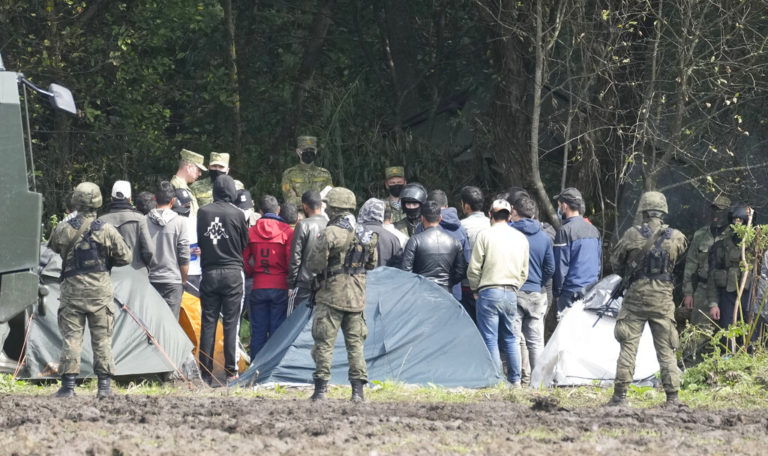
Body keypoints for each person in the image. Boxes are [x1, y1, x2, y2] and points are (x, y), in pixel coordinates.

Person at [48, 182, 132, 398]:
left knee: (71, 339)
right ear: (98, 202)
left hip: (72, 291)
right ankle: (104, 387)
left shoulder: (62, 228)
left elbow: (53, 248)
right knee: (102, 339)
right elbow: (126, 257)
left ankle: (68, 387)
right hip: (100, 293)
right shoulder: (106, 230)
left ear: (75, 201)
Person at [607, 191, 687, 406]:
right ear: (663, 211)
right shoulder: (677, 236)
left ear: (643, 210)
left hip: (635, 299)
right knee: (666, 349)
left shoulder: (631, 235)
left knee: (628, 347)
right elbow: (678, 260)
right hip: (662, 300)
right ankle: (672, 398)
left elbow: (616, 262)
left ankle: (620, 397)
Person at [307, 187, 378, 402]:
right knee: (355, 345)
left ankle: (320, 391)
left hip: (331, 295)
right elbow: (372, 264)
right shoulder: (367, 234)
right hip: (357, 296)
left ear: (335, 208)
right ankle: (358, 392)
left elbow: (315, 265)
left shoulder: (330, 233)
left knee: (324, 344)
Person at [467, 199, 529, 386]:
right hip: (510, 292)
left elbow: (474, 268)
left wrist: (475, 289)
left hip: (488, 292)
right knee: (511, 338)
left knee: (490, 339)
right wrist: (514, 287)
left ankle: (496, 382)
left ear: (490, 215)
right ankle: (516, 381)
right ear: (510, 216)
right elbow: (524, 272)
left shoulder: (485, 236)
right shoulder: (521, 238)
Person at [197, 175, 249, 384]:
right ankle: (230, 371)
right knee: (231, 322)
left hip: (209, 272)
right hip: (232, 273)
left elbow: (201, 238)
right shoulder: (238, 213)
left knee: (208, 322)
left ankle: (205, 372)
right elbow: (244, 243)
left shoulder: (203, 212)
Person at [509, 195, 554, 383]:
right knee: (536, 341)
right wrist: (537, 282)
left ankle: (518, 380)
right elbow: (550, 268)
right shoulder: (543, 237)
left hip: (514, 291)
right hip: (536, 292)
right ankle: (539, 382)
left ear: (514, 212)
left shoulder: (509, 234)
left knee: (516, 338)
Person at [243, 195, 294, 357]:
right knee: (277, 329)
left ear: (260, 211)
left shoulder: (250, 231)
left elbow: (243, 260)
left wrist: (252, 272)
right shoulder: (287, 232)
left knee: (258, 330)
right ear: (278, 210)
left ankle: (255, 369)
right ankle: (272, 369)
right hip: (280, 286)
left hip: (258, 285)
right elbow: (290, 262)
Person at [683, 196, 731, 334]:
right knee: (698, 331)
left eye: (721, 210)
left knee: (725, 331)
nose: (717, 213)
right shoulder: (701, 235)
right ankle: (693, 356)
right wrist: (688, 293)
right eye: (715, 210)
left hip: (725, 291)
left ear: (727, 213)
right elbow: (690, 264)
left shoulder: (733, 236)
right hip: (702, 289)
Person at [552, 187, 601, 317]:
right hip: (591, 291)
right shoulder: (594, 230)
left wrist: (557, 293)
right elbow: (598, 262)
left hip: (570, 293)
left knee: (566, 333)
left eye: (559, 205)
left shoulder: (565, 231)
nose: (559, 208)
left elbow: (560, 267)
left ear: (565, 206)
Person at [146, 181, 191, 319]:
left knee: (150, 323)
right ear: (173, 200)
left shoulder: (143, 221)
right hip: (173, 281)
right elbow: (184, 255)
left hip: (150, 279)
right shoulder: (180, 222)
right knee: (170, 326)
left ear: (154, 198)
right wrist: (183, 279)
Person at [401, 201, 467, 293]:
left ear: (422, 218)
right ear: (440, 218)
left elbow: (405, 271)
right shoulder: (454, 242)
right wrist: (448, 283)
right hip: (446, 292)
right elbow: (461, 271)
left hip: (421, 292)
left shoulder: (414, 241)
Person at [416, 189, 471, 300]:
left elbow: (415, 260)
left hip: (427, 290)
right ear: (446, 205)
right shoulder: (460, 228)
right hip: (453, 290)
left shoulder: (423, 226)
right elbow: (467, 261)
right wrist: (451, 281)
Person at [707, 204, 752, 330]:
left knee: (749, 336)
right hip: (727, 297)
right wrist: (713, 304)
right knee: (727, 334)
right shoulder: (720, 246)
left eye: (740, 220)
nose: (737, 223)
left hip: (749, 299)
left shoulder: (756, 247)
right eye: (734, 220)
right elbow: (712, 276)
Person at [98, 180, 154, 270]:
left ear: (112, 198)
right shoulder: (140, 219)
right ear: (130, 199)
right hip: (137, 274)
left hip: (109, 276)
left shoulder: (101, 220)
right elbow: (149, 251)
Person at [287, 190, 328, 314]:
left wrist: (291, 284)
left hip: (303, 282)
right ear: (321, 205)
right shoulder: (330, 225)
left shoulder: (303, 225)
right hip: (323, 282)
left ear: (305, 206)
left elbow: (295, 256)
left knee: (292, 322)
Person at [281, 136, 333, 212]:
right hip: (299, 216)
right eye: (305, 150)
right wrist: (318, 200)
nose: (309, 152)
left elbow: (330, 198)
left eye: (311, 150)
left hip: (321, 216)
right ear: (298, 152)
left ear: (316, 151)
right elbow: (289, 200)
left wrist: (300, 200)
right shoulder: (289, 174)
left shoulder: (324, 174)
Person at [358, 198, 403, 267]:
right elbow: (398, 268)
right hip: (385, 277)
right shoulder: (393, 239)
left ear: (363, 211)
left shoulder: (356, 233)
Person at [170, 148, 206, 216]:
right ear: (189, 167)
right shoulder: (178, 187)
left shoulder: (182, 186)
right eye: (198, 170)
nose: (200, 174)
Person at [460, 186, 489, 251]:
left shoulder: (461, 226)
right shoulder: (491, 224)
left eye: (462, 203)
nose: (461, 206)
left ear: (467, 206)